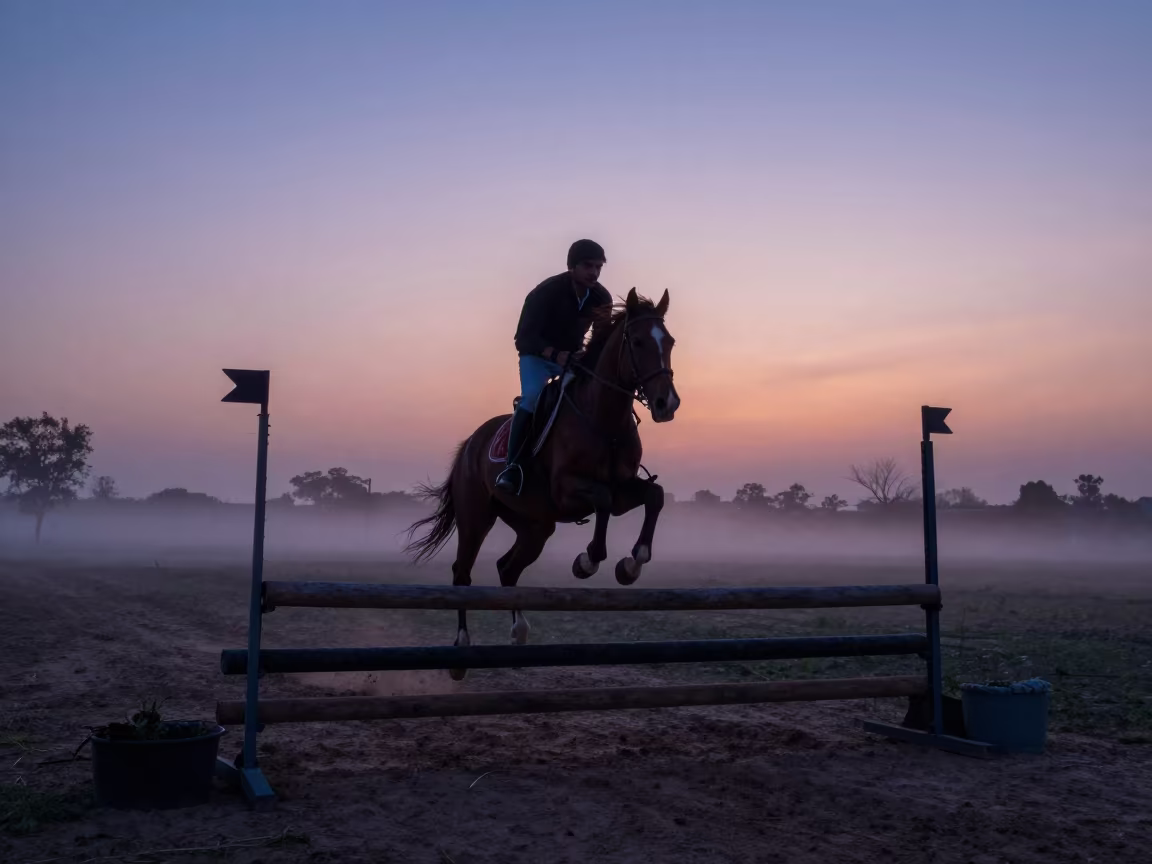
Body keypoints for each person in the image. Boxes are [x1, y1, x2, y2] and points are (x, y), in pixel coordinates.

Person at [495, 239, 612, 494]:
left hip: (572, 358)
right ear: (571, 267)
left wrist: (587, 357)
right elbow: (523, 338)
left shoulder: (602, 297)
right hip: (536, 357)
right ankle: (512, 467)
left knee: (592, 395)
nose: (594, 272)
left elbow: (601, 340)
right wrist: (554, 354)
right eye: (587, 266)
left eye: (598, 267)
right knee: (533, 396)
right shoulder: (545, 292)